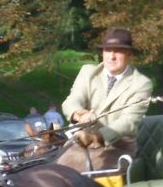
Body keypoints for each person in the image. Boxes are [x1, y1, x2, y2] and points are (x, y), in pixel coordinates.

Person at [56, 27, 153, 171]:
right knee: (56, 172)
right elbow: (71, 101)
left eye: (118, 51)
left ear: (130, 54)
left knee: (86, 177)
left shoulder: (141, 83)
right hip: (82, 144)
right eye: (107, 51)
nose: (111, 56)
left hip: (118, 148)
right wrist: (80, 114)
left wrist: (97, 137)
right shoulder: (88, 72)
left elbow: (129, 122)